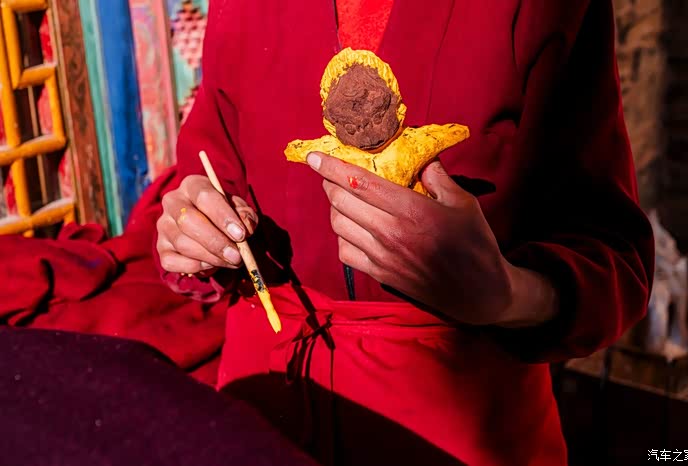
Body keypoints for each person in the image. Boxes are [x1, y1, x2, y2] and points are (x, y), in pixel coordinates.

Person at [155, 0, 654, 465]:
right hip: (264, 414)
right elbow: (207, 173)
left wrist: (506, 294)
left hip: (455, 427)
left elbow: (614, 255)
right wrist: (193, 230)